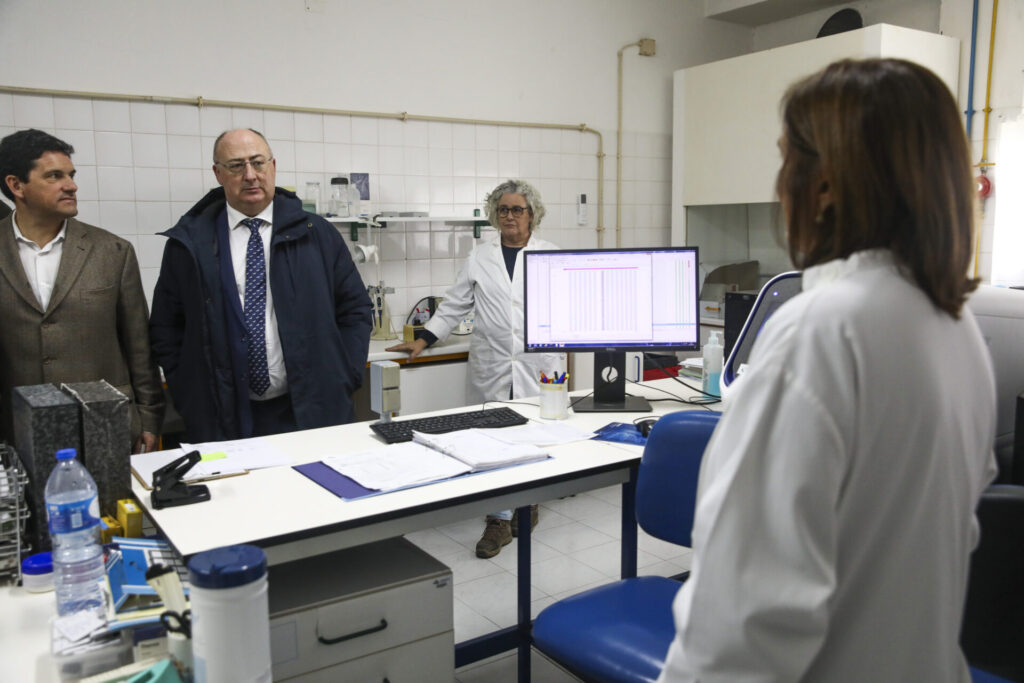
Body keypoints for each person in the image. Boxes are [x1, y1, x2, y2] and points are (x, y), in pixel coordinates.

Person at [657, 58, 997, 682]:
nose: (780, 183)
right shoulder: (956, 326)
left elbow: (738, 624)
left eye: (788, 158)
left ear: (827, 184)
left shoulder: (821, 332)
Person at [149, 128, 372, 442]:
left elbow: (355, 310)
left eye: (258, 162)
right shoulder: (190, 245)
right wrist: (189, 390)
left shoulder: (316, 234)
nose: (250, 175)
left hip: (312, 411)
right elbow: (165, 327)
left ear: (274, 166)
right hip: (223, 417)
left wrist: (343, 376)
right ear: (218, 173)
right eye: (237, 166)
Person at [387, 179, 565, 558]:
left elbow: (568, 304)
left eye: (517, 209)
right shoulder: (479, 258)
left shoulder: (551, 255)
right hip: (493, 362)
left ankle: (528, 504)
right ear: (494, 215)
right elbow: (454, 306)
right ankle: (497, 520)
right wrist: (423, 339)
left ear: (532, 214)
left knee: (537, 435)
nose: (510, 216)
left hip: (539, 363)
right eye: (503, 210)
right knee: (491, 439)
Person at [0, 129, 164, 453]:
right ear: (16, 185)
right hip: (19, 430)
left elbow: (139, 346)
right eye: (55, 176)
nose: (71, 185)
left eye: (71, 175)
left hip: (105, 423)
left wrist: (148, 419)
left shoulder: (112, 251)